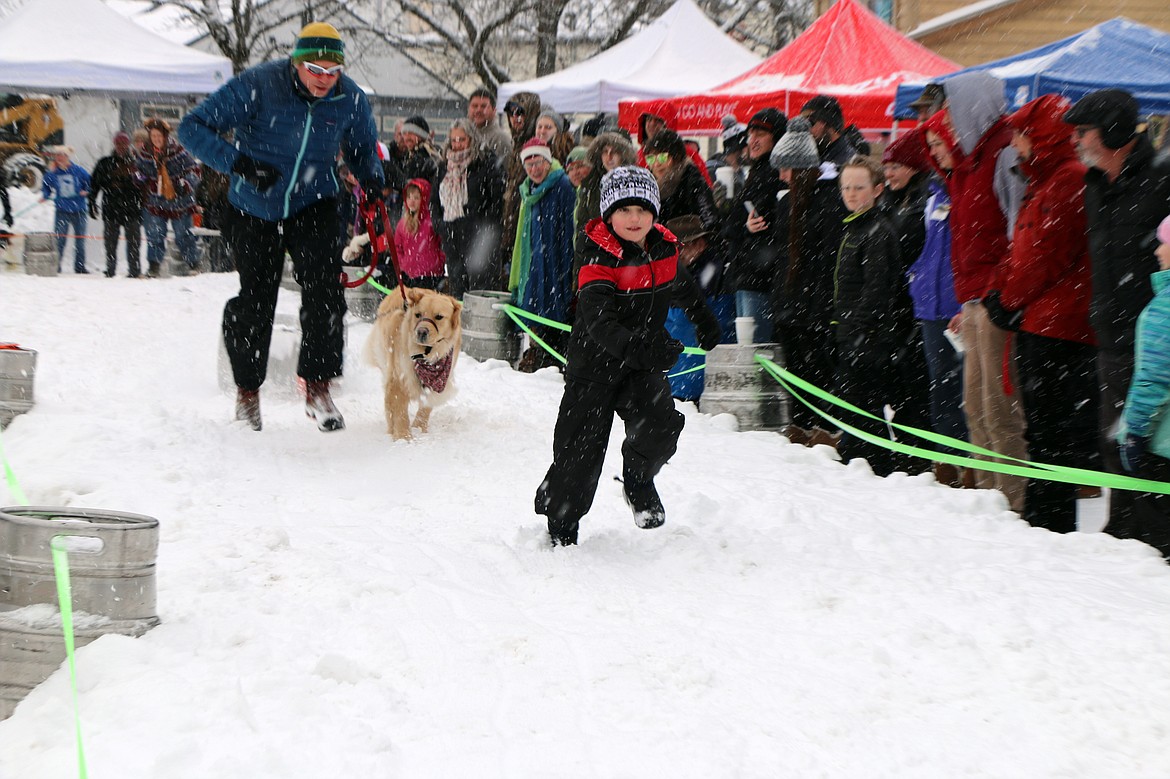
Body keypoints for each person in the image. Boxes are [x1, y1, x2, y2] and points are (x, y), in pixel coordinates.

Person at [178, 21, 384, 432]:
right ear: (296, 63)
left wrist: (373, 179)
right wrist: (238, 163)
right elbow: (192, 128)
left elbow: (362, 149)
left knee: (325, 289)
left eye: (332, 71)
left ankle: (319, 387)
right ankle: (248, 392)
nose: (324, 80)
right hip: (255, 202)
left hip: (315, 200)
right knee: (257, 299)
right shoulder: (260, 83)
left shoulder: (350, 98)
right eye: (315, 70)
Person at [535, 166, 686, 546]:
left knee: (661, 425)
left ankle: (637, 480)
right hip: (594, 366)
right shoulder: (596, 254)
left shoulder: (663, 246)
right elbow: (600, 321)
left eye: (642, 209)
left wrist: (703, 318)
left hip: (638, 364)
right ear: (608, 214)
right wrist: (641, 349)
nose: (634, 219)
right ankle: (562, 524)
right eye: (624, 210)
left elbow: (680, 284)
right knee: (578, 452)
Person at [979, 94, 1098, 533]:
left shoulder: (1068, 180)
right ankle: (1043, 514)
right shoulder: (1043, 180)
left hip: (1059, 325)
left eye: (1021, 135)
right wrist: (1000, 290)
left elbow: (1048, 255)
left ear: (1039, 136)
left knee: (1052, 431)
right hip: (1039, 320)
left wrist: (1007, 297)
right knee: (1041, 429)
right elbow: (1021, 249)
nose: (1015, 143)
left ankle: (1052, 520)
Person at [1064, 88, 1170, 542]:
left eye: (1083, 132)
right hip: (1111, 335)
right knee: (1115, 443)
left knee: (1149, 448)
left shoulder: (1161, 179)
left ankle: (1150, 542)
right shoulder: (1093, 186)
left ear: (1114, 133)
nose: (1076, 141)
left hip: (1156, 338)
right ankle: (1124, 531)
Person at [924, 72, 1027, 511]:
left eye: (950, 108)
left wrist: (999, 293)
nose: (946, 117)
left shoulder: (1002, 156)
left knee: (1000, 408)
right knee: (974, 406)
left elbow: (1017, 233)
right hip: (973, 301)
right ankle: (988, 497)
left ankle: (1012, 501)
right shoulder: (969, 162)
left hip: (997, 300)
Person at [833, 155, 916, 477]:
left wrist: (860, 330)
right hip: (852, 331)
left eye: (859, 187)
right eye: (846, 187)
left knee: (865, 404)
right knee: (854, 402)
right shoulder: (855, 227)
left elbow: (878, 288)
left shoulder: (877, 231)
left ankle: (871, 464)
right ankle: (858, 457)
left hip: (870, 337)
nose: (851, 193)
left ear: (878, 189)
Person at [768, 117, 847, 446]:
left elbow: (827, 258)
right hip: (790, 301)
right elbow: (779, 255)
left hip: (812, 303)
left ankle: (825, 428)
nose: (782, 176)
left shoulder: (827, 201)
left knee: (818, 370)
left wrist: (820, 306)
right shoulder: (786, 201)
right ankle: (800, 424)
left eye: (787, 168)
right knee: (796, 370)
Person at [911, 129, 969, 487]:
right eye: (930, 146)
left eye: (939, 143)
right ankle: (946, 459)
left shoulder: (965, 188)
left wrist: (966, 300)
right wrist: (915, 276)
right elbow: (930, 246)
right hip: (930, 306)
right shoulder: (933, 194)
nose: (934, 151)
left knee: (965, 388)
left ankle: (967, 461)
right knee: (940, 386)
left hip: (959, 306)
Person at [1116, 215, 1170, 560]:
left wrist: (1134, 432)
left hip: (1162, 451)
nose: (1159, 250)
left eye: (1166, 242)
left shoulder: (1164, 309)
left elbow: (1154, 379)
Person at [509, 138, 577, 372]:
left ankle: (555, 357)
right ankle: (538, 352)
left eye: (538, 163)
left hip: (557, 258)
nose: (535, 169)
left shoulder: (563, 185)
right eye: (529, 165)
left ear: (548, 162)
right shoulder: (529, 190)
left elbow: (569, 228)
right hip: (535, 260)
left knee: (556, 307)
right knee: (535, 306)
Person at [724, 108, 786, 344]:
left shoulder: (775, 173)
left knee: (754, 353)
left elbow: (759, 225)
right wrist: (742, 227)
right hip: (747, 274)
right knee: (748, 353)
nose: (753, 141)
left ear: (776, 137)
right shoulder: (758, 171)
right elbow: (734, 225)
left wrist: (742, 228)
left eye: (760, 134)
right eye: (751, 134)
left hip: (760, 277)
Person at [431, 118, 504, 299]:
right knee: (457, 290)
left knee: (481, 289)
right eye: (454, 140)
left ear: (471, 139)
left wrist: (482, 226)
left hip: (480, 239)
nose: (457, 144)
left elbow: (496, 200)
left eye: (462, 139)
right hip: (452, 237)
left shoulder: (485, 163)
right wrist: (441, 226)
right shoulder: (443, 166)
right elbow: (434, 202)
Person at [662, 214, 731, 402]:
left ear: (699, 243)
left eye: (680, 247)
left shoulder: (713, 267)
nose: (677, 253)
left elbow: (694, 310)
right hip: (680, 375)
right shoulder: (685, 267)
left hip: (696, 378)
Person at [136, 118, 200, 277]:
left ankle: (193, 264)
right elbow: (139, 171)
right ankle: (154, 266)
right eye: (153, 136)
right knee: (155, 234)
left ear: (165, 136)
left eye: (159, 136)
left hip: (179, 199)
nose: (156, 139)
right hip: (156, 200)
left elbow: (195, 171)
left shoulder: (177, 150)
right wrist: (140, 179)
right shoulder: (145, 152)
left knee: (183, 234)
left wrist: (184, 184)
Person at [574, 132, 638, 285]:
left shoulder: (635, 182)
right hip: (595, 259)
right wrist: (579, 269)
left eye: (614, 151)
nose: (609, 157)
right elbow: (582, 228)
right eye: (604, 152)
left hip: (627, 261)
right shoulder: (590, 184)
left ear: (623, 154)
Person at [499, 91, 542, 290]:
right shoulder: (517, 144)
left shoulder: (537, 144)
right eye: (511, 112)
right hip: (514, 227)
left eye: (520, 113)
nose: (515, 118)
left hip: (531, 229)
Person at [89, 131, 145, 278]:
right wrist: (91, 203)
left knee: (134, 243)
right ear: (114, 144)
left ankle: (134, 270)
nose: (121, 147)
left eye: (124, 144)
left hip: (132, 209)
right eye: (118, 144)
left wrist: (144, 204)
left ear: (128, 145)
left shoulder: (137, 163)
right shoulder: (105, 163)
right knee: (110, 243)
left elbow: (144, 187)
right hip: (111, 209)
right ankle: (110, 269)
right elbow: (94, 185)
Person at [643, 129, 719, 233]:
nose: (656, 164)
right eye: (650, 159)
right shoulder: (646, 186)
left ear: (677, 157)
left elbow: (711, 224)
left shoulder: (693, 182)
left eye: (662, 157)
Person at [41, 145, 90, 274]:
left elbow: (90, 183)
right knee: (59, 240)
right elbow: (46, 186)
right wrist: (45, 195)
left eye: (62, 155)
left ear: (67, 157)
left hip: (79, 210)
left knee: (80, 240)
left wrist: (86, 191)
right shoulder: (53, 174)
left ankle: (80, 267)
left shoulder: (79, 171)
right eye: (57, 155)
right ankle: (56, 266)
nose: (59, 158)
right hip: (62, 210)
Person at [393, 178, 445, 290]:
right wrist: (403, 263)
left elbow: (444, 243)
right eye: (409, 197)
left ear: (424, 199)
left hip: (431, 277)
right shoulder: (402, 224)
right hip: (409, 276)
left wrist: (437, 262)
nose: (411, 201)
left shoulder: (432, 222)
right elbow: (397, 248)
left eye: (416, 198)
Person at [798, 95, 858, 170]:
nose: (805, 129)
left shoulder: (847, 164)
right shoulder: (819, 155)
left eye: (810, 122)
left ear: (827, 123)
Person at [467, 87, 512, 162]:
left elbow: (504, 171)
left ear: (494, 111)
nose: (478, 110)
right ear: (468, 109)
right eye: (474, 106)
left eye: (484, 106)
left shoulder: (500, 139)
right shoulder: (461, 134)